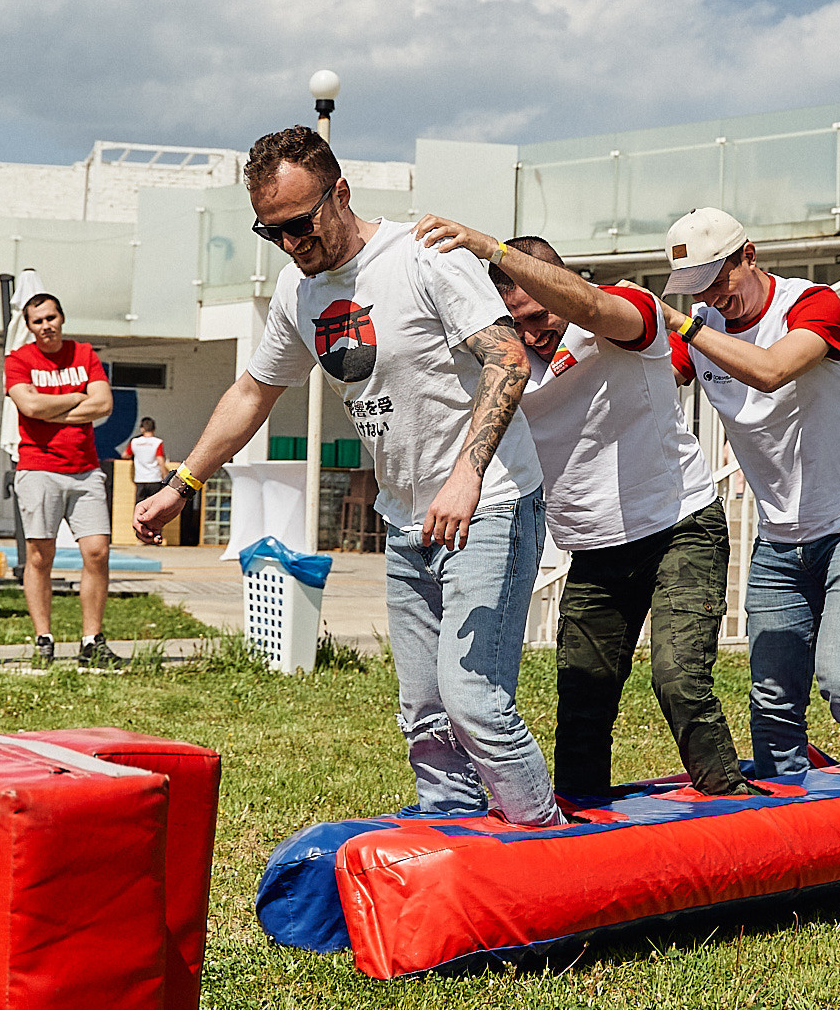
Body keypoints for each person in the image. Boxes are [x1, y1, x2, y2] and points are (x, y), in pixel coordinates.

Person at [136, 126, 564, 827]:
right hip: (405, 518)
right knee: (424, 715)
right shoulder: (297, 290)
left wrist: (466, 476)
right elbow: (253, 391)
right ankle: (450, 839)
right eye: (271, 231)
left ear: (340, 192)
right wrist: (181, 483)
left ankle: (542, 843)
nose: (290, 244)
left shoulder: (423, 255)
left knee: (473, 702)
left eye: (300, 224)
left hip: (490, 501)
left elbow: (508, 357)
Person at [412, 218, 756, 798]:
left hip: (679, 526)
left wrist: (488, 248)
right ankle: (579, 824)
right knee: (581, 699)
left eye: (542, 313)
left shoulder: (622, 314)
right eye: (517, 322)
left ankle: (731, 806)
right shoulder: (505, 362)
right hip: (594, 550)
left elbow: (593, 307)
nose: (535, 332)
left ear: (561, 284)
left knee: (679, 680)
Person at [646, 206, 840, 776]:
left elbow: (771, 370)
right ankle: (790, 816)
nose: (710, 297)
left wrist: (683, 326)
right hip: (779, 539)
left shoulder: (813, 304)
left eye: (716, 279)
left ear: (749, 255)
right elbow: (653, 384)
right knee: (772, 700)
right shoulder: (702, 327)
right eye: (695, 288)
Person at [4, 292, 117, 671]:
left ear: (62, 318)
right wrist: (75, 397)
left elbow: (103, 404)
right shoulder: (18, 360)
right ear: (29, 326)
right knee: (40, 556)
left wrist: (49, 410)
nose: (46, 326)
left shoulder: (83, 353)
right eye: (37, 321)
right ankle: (44, 639)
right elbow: (29, 406)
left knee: (98, 552)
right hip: (38, 468)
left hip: (85, 469)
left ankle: (91, 641)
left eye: (51, 318)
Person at [121, 416, 169, 496]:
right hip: (155, 478)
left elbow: (125, 455)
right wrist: (165, 476)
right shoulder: (157, 442)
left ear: (142, 429)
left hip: (140, 479)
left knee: (140, 503)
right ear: (154, 429)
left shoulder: (135, 442)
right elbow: (160, 460)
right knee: (154, 502)